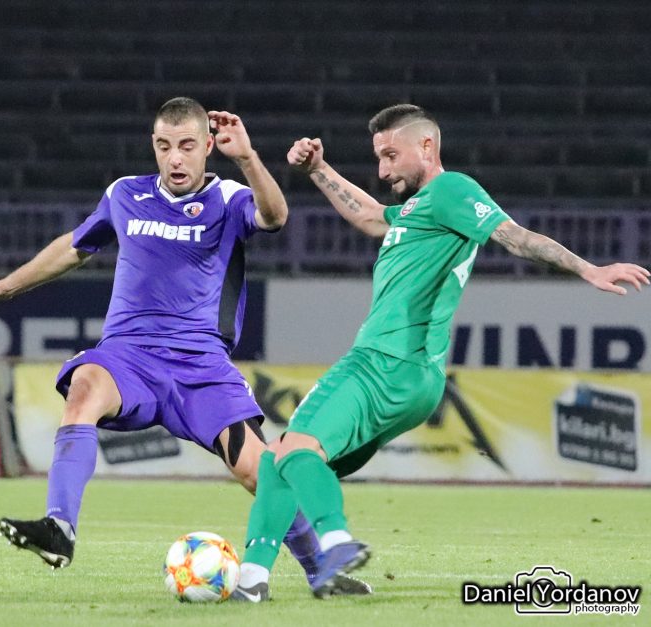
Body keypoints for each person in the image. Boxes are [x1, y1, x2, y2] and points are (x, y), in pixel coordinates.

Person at [230, 104, 650, 602]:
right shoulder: (419, 209)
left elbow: (515, 237)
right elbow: (370, 216)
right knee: (281, 461)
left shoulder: (451, 190)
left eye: (391, 155)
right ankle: (252, 579)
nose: (383, 169)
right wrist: (318, 169)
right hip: (418, 382)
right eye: (378, 157)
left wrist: (588, 269)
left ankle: (336, 544)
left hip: (382, 361)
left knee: (296, 449)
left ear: (427, 147)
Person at [0, 97, 370, 594]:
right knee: (85, 386)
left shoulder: (228, 197)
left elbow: (275, 215)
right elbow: (74, 247)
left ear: (207, 147)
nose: (175, 158)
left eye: (187, 146)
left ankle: (320, 570)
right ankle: (59, 527)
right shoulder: (124, 194)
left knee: (259, 473)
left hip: (201, 367)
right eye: (164, 146)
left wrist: (247, 157)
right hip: (129, 357)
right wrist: (8, 285)